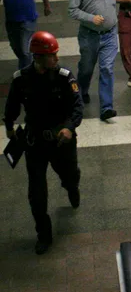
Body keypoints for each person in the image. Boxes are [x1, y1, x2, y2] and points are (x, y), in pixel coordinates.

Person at [4, 31, 83, 255]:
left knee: (70, 174)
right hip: (35, 142)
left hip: (61, 141)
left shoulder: (64, 77)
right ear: (38, 57)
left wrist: (69, 127)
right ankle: (44, 235)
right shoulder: (21, 79)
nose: (57, 59)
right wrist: (9, 126)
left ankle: (72, 187)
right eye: (52, 55)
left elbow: (77, 106)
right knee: (36, 192)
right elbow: (12, 106)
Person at [68, 0, 119, 121]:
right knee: (87, 68)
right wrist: (92, 18)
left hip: (110, 34)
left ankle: (106, 108)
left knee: (107, 68)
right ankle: (81, 91)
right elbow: (72, 10)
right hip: (89, 36)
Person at [0, 0, 52, 70]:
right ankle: (32, 63)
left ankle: (26, 74)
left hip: (28, 19)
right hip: (11, 19)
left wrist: (47, 6)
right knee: (16, 47)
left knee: (25, 50)